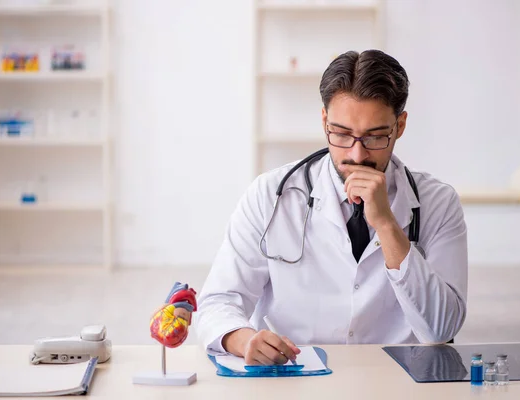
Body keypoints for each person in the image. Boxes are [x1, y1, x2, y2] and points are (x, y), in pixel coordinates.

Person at [195, 49, 468, 366]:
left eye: (375, 136)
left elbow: (442, 330)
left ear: (400, 125)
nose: (357, 153)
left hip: (396, 380)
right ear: (324, 121)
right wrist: (242, 340)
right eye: (341, 134)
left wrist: (388, 226)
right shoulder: (270, 195)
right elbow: (218, 301)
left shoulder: (438, 203)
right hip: (295, 378)